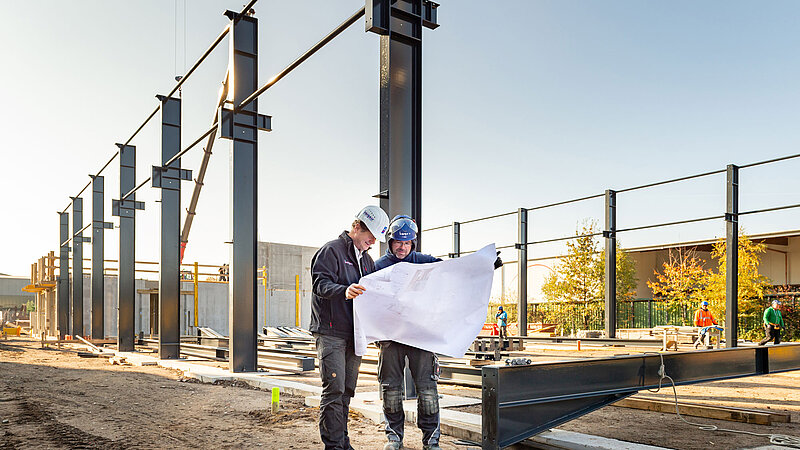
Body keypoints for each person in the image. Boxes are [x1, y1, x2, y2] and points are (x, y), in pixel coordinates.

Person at [374, 215, 502, 450]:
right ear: (390, 241)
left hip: (420, 335)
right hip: (390, 337)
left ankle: (431, 442)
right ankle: (394, 438)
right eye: (398, 243)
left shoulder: (425, 262)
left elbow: (455, 272)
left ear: (413, 243)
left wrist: (483, 267)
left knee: (428, 391)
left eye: (407, 243)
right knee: (390, 389)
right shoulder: (378, 267)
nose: (402, 248)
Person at [310, 205, 390, 450]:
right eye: (370, 237)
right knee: (333, 391)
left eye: (376, 239)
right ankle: (333, 446)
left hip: (354, 334)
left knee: (346, 392)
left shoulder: (367, 261)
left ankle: (343, 443)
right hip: (331, 331)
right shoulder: (331, 251)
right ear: (356, 227)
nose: (372, 242)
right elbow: (320, 284)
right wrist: (344, 291)